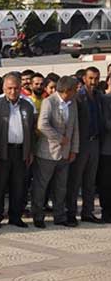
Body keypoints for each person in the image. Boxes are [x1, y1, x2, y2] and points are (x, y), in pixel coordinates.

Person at [31, 76, 80, 229]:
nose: (76, 92)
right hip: (47, 153)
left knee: (61, 187)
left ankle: (60, 216)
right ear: (67, 90)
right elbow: (42, 125)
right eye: (74, 90)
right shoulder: (49, 102)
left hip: (64, 154)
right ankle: (38, 216)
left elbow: (75, 128)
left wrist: (74, 149)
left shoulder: (72, 104)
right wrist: (59, 138)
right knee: (41, 186)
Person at [0, 74, 35, 228]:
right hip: (3, 151)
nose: (13, 91)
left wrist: (30, 151)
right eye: (9, 88)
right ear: (3, 88)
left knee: (19, 186)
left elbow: (32, 131)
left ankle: (15, 216)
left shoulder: (28, 105)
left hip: (20, 151)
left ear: (21, 88)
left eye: (16, 88)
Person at [66, 66, 104, 225]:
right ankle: (71, 213)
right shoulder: (78, 97)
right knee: (75, 181)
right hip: (80, 144)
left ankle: (88, 212)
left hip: (95, 143)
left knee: (90, 180)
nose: (93, 82)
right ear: (84, 79)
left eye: (96, 78)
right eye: (90, 78)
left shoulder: (99, 96)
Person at [98, 91, 111, 222]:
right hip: (107, 149)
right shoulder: (105, 99)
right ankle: (106, 213)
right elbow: (106, 122)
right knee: (106, 183)